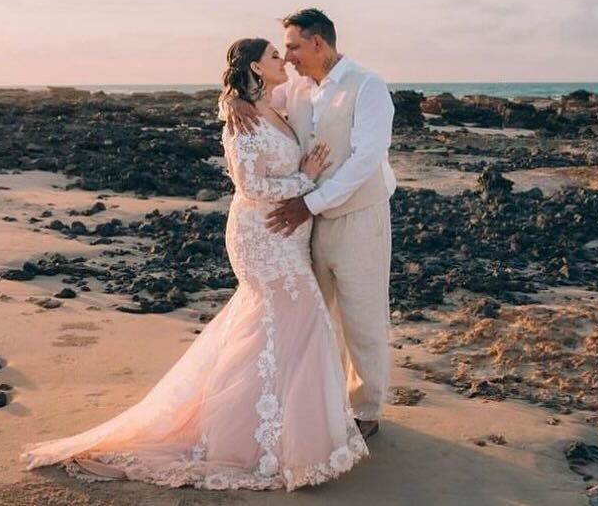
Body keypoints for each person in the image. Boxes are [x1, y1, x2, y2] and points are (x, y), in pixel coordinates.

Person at [21, 37, 368, 491]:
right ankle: (257, 441)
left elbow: (253, 102)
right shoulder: (240, 121)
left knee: (285, 329)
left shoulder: (276, 101)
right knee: (289, 321)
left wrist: (230, 97)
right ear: (256, 68)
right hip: (262, 236)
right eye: (275, 56)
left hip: (288, 236)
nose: (284, 61)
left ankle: (281, 434)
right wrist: (306, 177)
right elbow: (251, 186)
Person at [225, 9, 395, 441]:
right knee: (319, 317)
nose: (289, 56)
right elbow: (256, 104)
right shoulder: (297, 87)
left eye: (295, 47)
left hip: (357, 217)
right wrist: (231, 98)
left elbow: (364, 161)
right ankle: (324, 402)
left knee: (363, 314)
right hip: (306, 226)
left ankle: (367, 409)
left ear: (318, 43)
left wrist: (310, 201)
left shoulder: (368, 86)